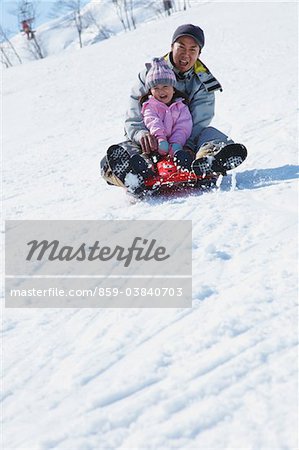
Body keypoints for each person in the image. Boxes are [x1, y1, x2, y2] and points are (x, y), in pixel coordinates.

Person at [101, 23, 247, 192]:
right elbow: (134, 113)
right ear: (171, 47)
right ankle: (138, 172)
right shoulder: (151, 74)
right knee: (111, 160)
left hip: (186, 145)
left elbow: (199, 122)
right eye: (181, 47)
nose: (186, 54)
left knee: (212, 136)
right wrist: (142, 135)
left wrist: (186, 147)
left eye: (193, 49)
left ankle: (206, 163)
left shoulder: (203, 82)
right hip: (151, 143)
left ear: (199, 53)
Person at [140, 57, 193, 169]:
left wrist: (176, 143)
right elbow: (153, 121)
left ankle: (187, 165)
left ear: (173, 89)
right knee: (145, 154)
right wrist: (160, 138)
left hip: (176, 147)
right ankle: (144, 169)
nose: (161, 91)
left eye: (165, 86)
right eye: (156, 88)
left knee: (184, 153)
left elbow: (183, 127)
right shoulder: (150, 106)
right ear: (151, 91)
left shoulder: (181, 107)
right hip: (154, 146)